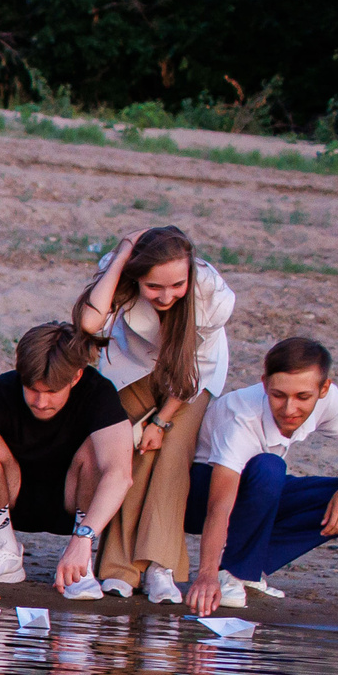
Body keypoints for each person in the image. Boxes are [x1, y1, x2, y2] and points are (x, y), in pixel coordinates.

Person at [74, 225, 236, 603]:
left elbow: (189, 373)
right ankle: (118, 568)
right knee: (128, 452)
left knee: (171, 453)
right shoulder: (118, 272)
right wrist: (123, 253)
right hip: (134, 367)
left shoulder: (213, 296)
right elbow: (88, 323)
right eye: (154, 287)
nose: (167, 296)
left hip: (193, 379)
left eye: (177, 285)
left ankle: (160, 566)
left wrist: (161, 421)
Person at [185, 336, 338, 614]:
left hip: (258, 489)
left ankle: (243, 569)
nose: (290, 409)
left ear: (324, 388)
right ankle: (230, 571)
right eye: (278, 395)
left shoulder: (330, 399)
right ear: (264, 383)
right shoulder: (241, 418)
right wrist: (205, 575)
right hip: (200, 497)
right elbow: (219, 506)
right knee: (270, 467)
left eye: (303, 397)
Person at [0, 320, 136, 604]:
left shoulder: (99, 393)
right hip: (9, 499)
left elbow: (120, 475)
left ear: (75, 377)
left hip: (74, 504)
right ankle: (5, 551)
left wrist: (83, 539)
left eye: (52, 392)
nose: (40, 401)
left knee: (104, 452)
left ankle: (79, 567)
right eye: (32, 388)